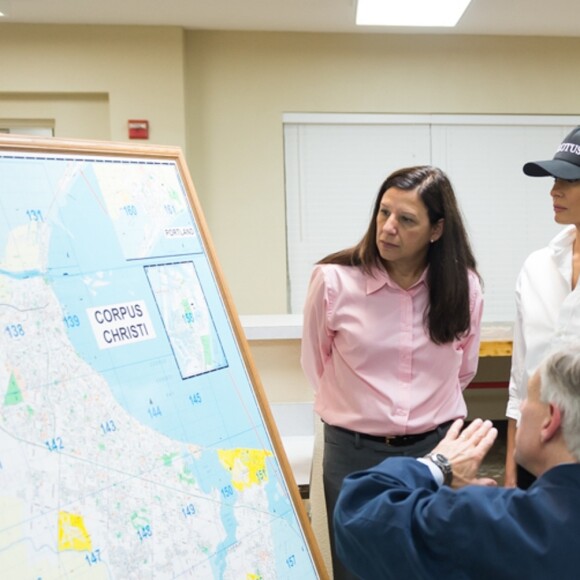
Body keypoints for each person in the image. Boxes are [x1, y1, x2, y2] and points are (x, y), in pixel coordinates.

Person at [300, 165, 483, 579]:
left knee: (429, 564)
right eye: (383, 213)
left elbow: (463, 368)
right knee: (357, 567)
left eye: (406, 220)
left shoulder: (464, 288)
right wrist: (363, 410)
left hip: (436, 448)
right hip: (353, 453)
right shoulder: (333, 282)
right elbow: (316, 362)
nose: (388, 228)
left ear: (436, 230)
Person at [334, 343, 580, 579]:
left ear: (551, 419)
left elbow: (358, 513)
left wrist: (437, 465)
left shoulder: (494, 524)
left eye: (529, 397)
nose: (523, 406)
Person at [505, 126, 580, 489]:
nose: (554, 190)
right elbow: (519, 384)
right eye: (554, 179)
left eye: (569, 180)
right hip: (533, 468)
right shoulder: (536, 267)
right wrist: (510, 471)